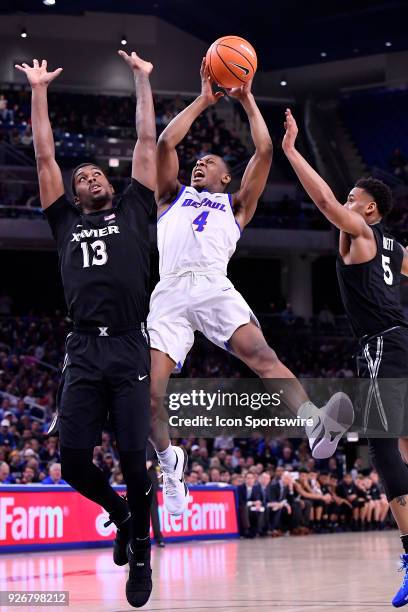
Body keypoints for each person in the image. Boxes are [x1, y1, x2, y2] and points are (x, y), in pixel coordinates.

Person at [147, 58, 354, 516]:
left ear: (226, 178)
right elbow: (165, 142)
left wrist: (247, 98)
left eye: (211, 162)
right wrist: (203, 100)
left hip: (213, 286)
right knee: (152, 395)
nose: (200, 163)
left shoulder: (237, 206)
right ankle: (170, 466)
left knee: (263, 356)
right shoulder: (170, 196)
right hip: (170, 293)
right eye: (197, 162)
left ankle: (314, 423)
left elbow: (263, 151)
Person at [15, 51, 156, 609]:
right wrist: (39, 90)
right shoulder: (64, 220)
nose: (90, 175)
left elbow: (146, 145)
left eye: (97, 172)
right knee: (72, 461)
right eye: (82, 177)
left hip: (128, 344)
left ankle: (140, 549)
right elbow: (45, 151)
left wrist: (143, 82)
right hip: (82, 347)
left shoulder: (136, 208)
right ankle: (119, 513)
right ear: (73, 195)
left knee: (133, 459)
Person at [282, 108, 408, 608]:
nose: (347, 202)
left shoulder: (361, 231)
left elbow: (323, 199)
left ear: (370, 211)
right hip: (396, 342)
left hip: (381, 343)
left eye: (355, 198)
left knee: (381, 447)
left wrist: (291, 151)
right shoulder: (396, 247)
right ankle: (335, 420)